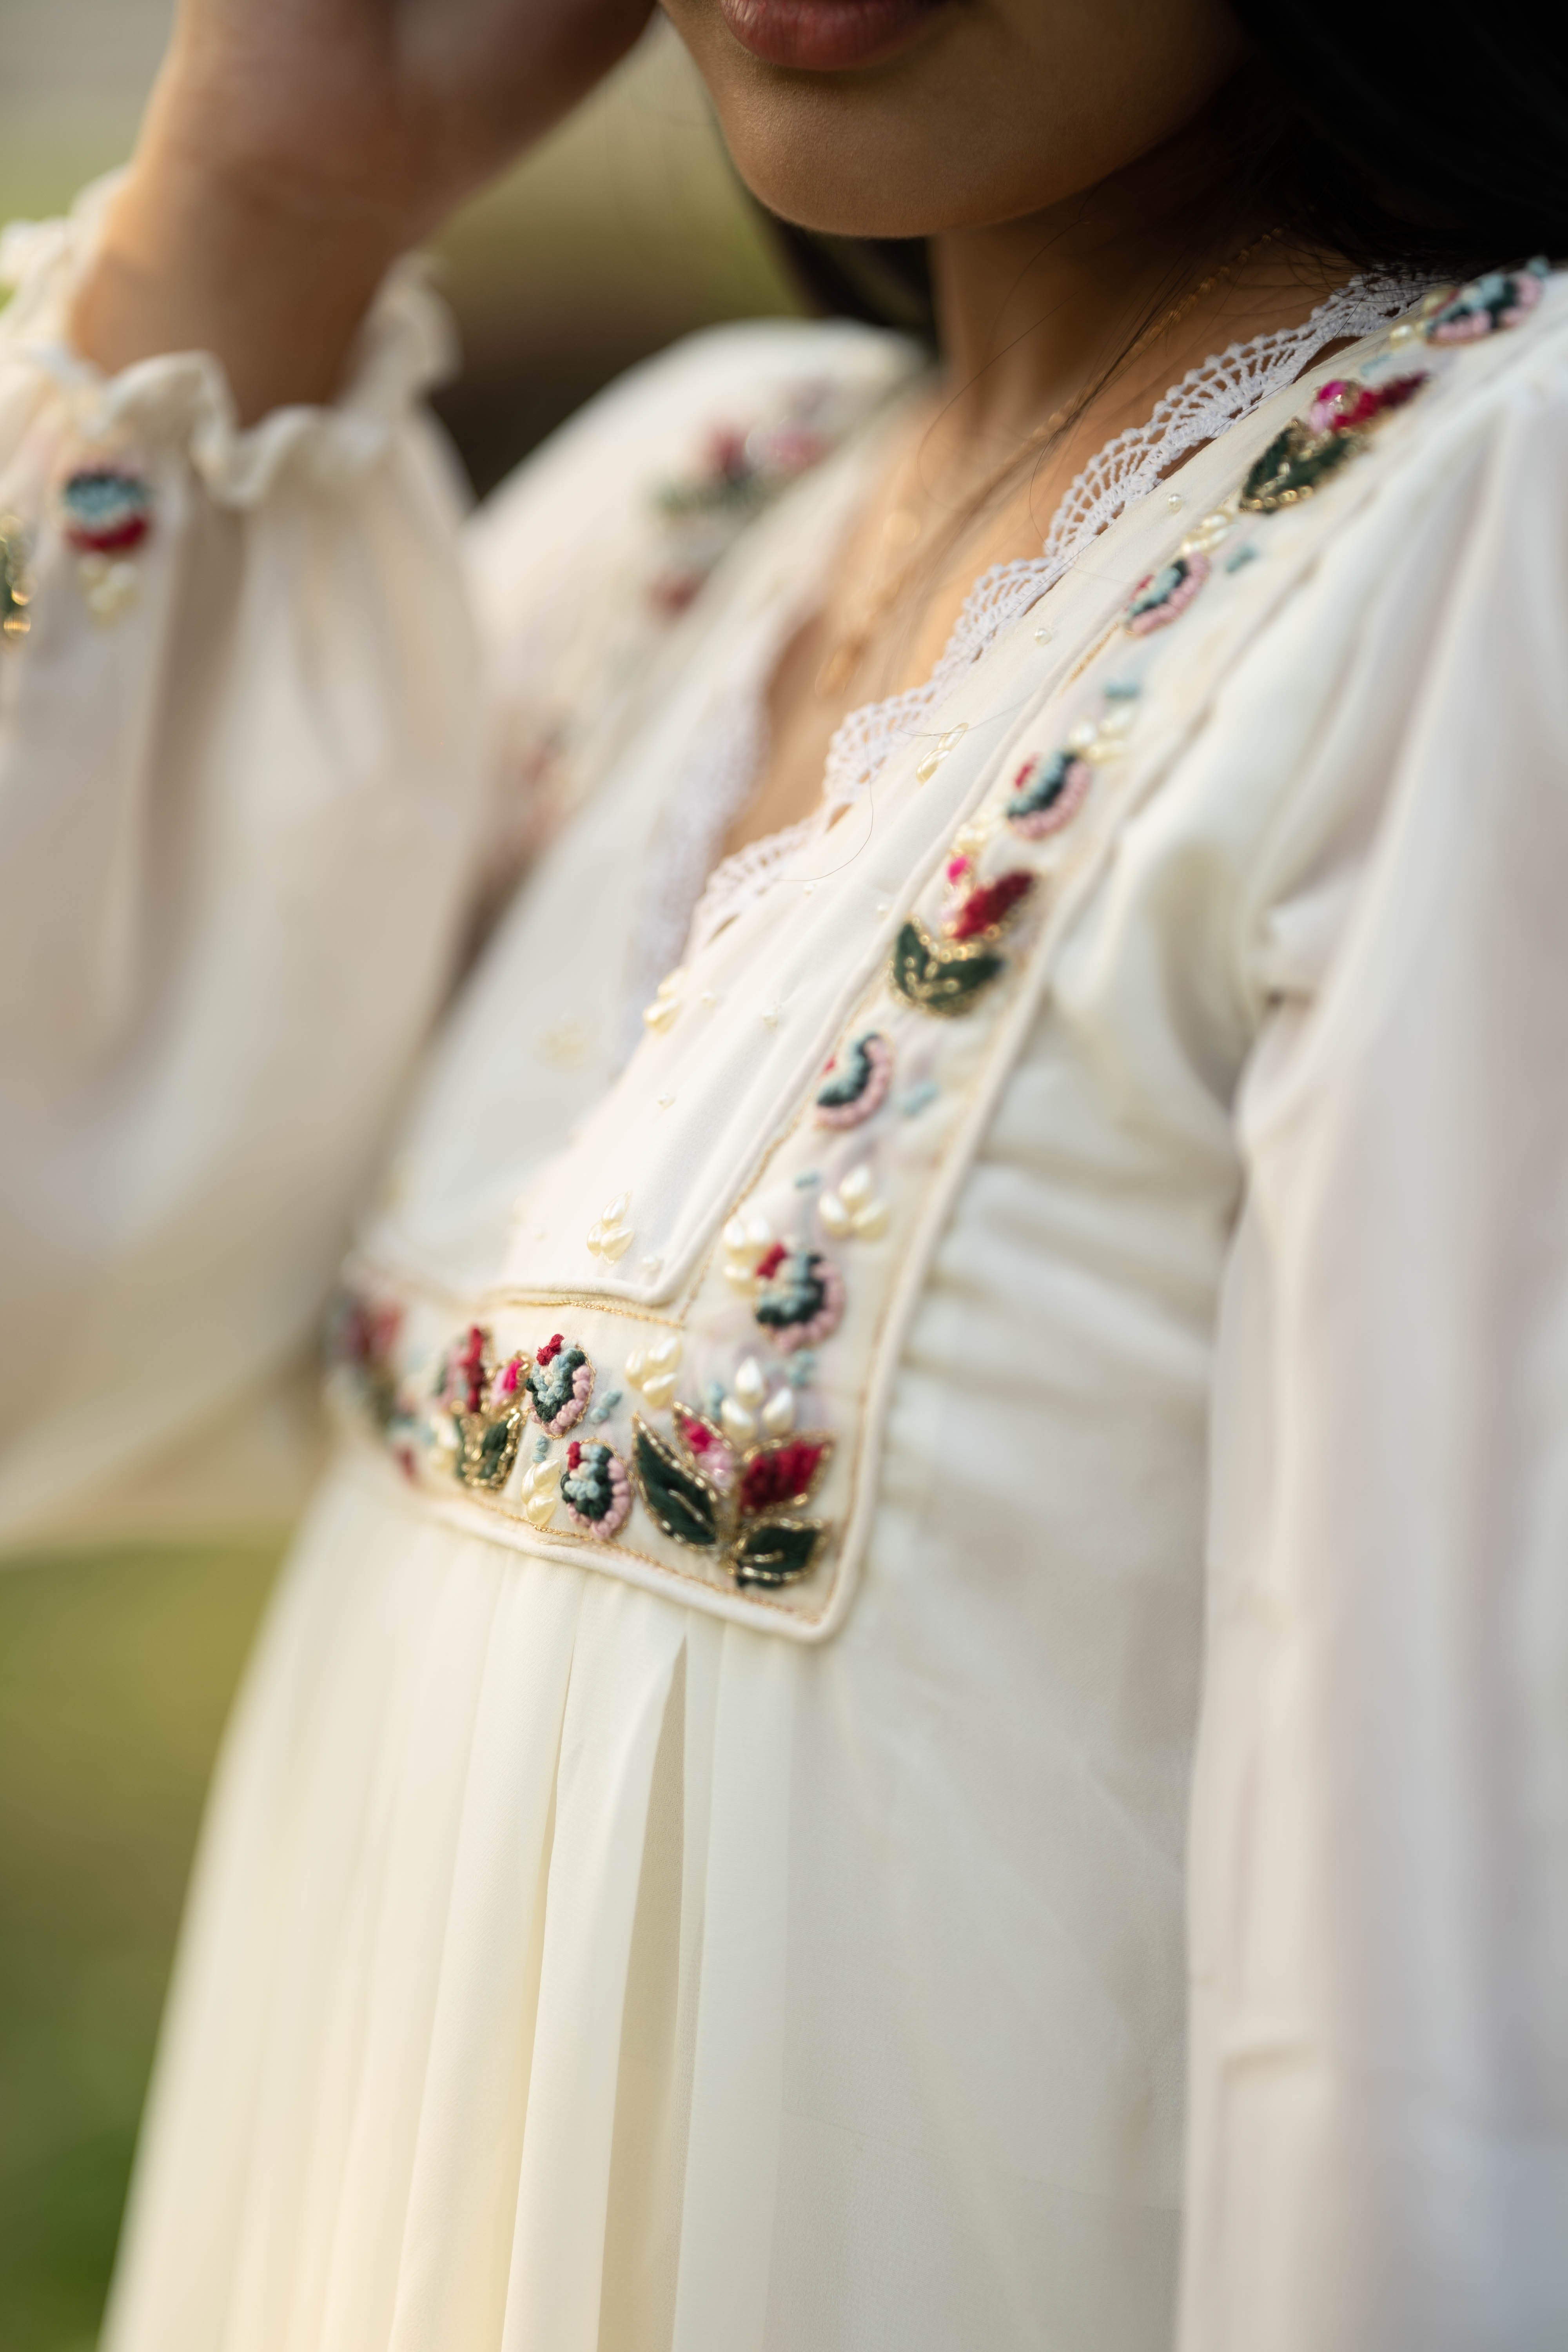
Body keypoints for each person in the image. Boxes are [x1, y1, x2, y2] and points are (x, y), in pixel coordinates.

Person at [1, 0, 1565, 2341]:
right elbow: (54, 1321)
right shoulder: (702, 512)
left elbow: (1430, 2051)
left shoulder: (1479, 532)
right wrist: (258, 221)